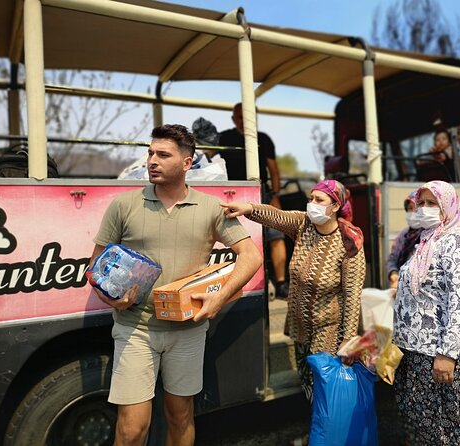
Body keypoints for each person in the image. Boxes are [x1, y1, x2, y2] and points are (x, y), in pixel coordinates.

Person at [89, 124, 262, 446]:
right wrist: (110, 298)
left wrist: (220, 298)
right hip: (134, 329)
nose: (152, 161)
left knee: (180, 417)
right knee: (131, 428)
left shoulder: (212, 208)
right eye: (150, 153)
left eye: (163, 155)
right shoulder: (123, 205)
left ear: (186, 163)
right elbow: (95, 267)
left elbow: (250, 256)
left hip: (188, 331)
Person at [222, 179, 365, 401]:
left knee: (325, 384)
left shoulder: (348, 243)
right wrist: (248, 209)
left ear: (336, 206)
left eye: (319, 200)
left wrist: (348, 337)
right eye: (311, 198)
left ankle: (328, 432)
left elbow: (353, 293)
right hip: (300, 323)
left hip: (329, 326)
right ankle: (318, 426)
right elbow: (276, 215)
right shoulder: (303, 224)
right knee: (306, 379)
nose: (312, 204)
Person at [393, 180, 460, 445]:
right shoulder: (426, 241)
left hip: (441, 354)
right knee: (423, 430)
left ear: (447, 206)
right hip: (419, 352)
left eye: (431, 203)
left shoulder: (457, 243)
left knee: (441, 435)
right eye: (420, 203)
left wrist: (447, 355)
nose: (423, 209)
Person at [217, 103, 289, 299]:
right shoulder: (223, 138)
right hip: (230, 197)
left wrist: (274, 195)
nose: (243, 121)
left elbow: (273, 170)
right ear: (234, 119)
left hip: (262, 195)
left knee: (276, 236)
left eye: (247, 117)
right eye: (239, 117)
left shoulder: (263, 139)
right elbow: (207, 160)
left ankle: (281, 282)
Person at [386, 191, 422, 289]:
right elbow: (392, 258)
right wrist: (393, 274)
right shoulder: (404, 234)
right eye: (410, 209)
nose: (413, 213)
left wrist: (404, 284)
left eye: (417, 209)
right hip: (399, 288)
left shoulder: (428, 235)